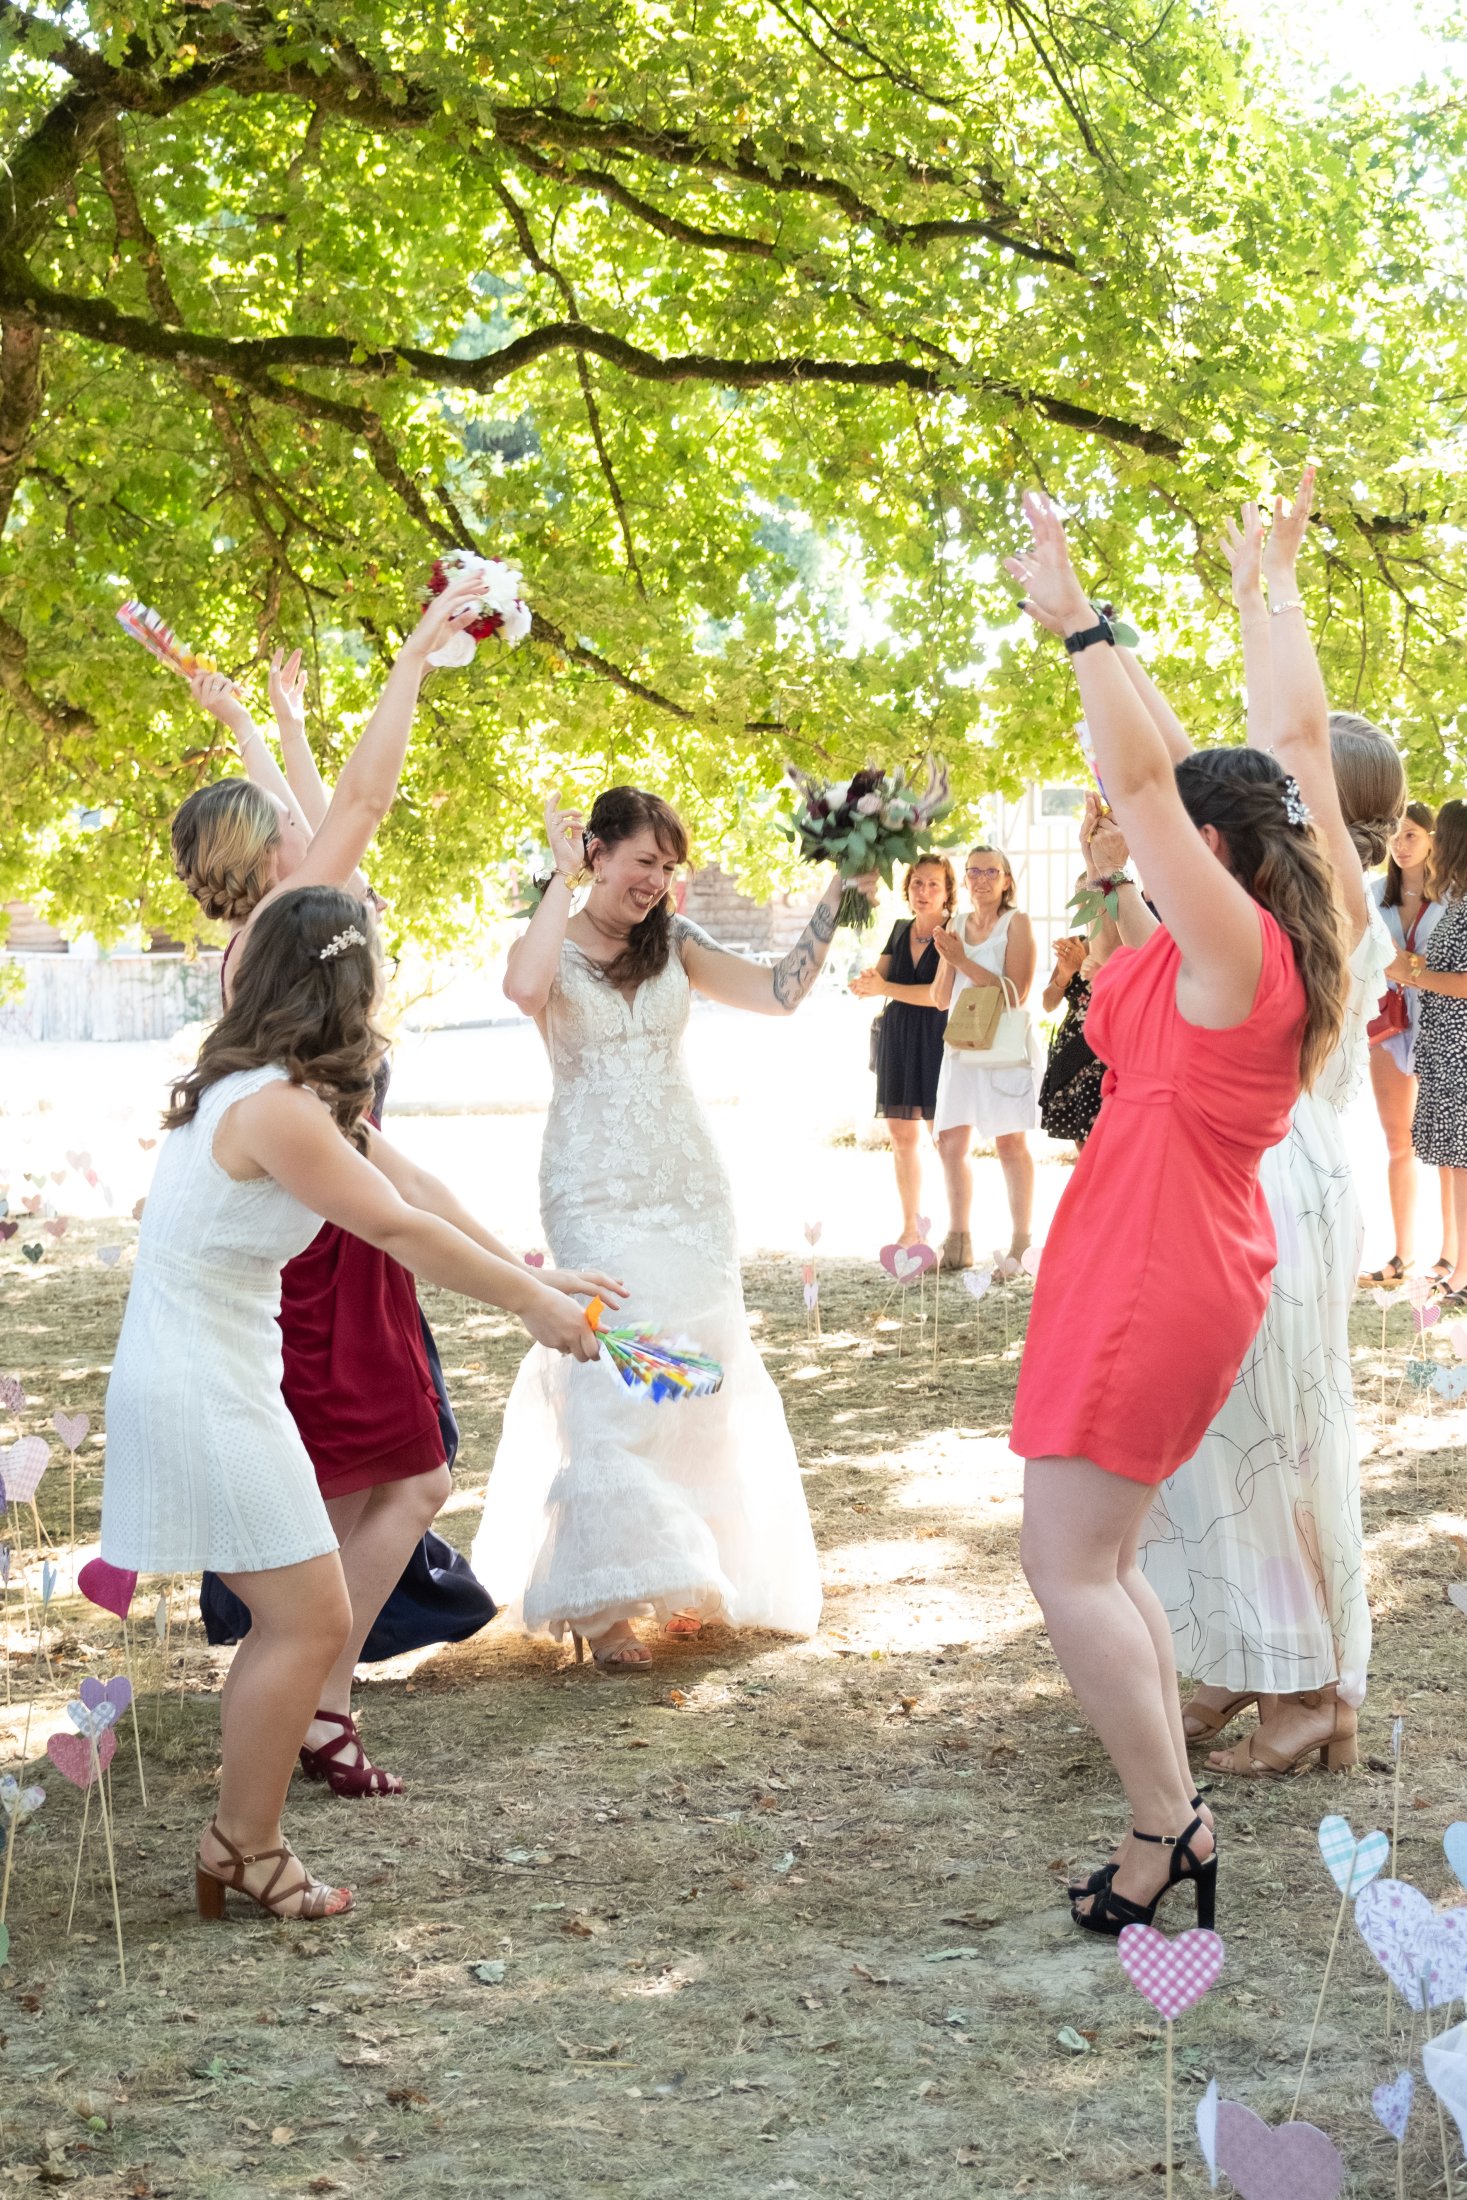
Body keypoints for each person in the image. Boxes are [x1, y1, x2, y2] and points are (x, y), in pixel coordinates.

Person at [100, 886, 616, 1922]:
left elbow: (414, 1188)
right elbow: (394, 1228)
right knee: (308, 1617)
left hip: (219, 1376)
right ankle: (243, 1843)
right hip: (199, 1383)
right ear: (345, 987)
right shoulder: (273, 1108)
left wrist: (535, 1273)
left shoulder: (277, 1092)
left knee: (300, 1616)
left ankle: (241, 1840)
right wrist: (527, 1307)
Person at [1005, 486, 1348, 1938]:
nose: (1136, 835)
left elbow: (1150, 784)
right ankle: (1170, 1820)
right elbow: (1230, 762)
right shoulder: (1218, 944)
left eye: (1166, 839)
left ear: (1209, 849)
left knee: (1065, 1563)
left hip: (1158, 1261)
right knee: (1104, 1559)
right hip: (1143, 1244)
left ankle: (1166, 1829)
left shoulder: (1238, 950)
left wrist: (1077, 624)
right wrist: (1140, 618)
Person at [173, 578, 501, 1796]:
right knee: (375, 1480)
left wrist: (265, 719)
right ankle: (311, 1696)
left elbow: (328, 811)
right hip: (324, 1235)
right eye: (276, 821)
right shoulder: (284, 932)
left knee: (391, 1476)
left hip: (350, 1216)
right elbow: (358, 802)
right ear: (261, 854)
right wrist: (414, 652)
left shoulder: (279, 927)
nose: (298, 823)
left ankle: (320, 1697)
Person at [470, 786, 876, 1671]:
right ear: (598, 853)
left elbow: (779, 992)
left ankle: (684, 1566)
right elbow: (523, 988)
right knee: (615, 1367)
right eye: (643, 861)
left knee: (697, 1365)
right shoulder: (552, 937)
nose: (656, 880)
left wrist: (839, 893)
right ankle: (603, 1601)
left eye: (667, 866)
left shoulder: (676, 943)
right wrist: (557, 879)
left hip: (687, 1185)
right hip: (591, 1185)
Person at [1132, 491, 1403, 1779]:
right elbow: (1197, 767)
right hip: (1273, 1176)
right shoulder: (1270, 883)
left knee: (1267, 1437)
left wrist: (1268, 591)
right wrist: (1102, 647)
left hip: (1276, 1179)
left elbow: (1285, 733)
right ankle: (1248, 1654)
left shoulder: (1334, 896)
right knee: (1228, 1434)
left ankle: (1304, 1689)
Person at [930, 847, 1040, 1270]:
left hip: (1003, 1048)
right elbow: (941, 999)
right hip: (961, 1045)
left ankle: (1021, 1244)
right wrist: (948, 962)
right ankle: (958, 1240)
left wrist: (962, 960)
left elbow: (1017, 993)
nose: (981, 879)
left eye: (991, 872)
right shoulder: (955, 924)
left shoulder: (1017, 922)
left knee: (1009, 1142)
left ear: (1007, 880)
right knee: (950, 1142)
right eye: (973, 871)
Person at [1361, 802, 1455, 1285]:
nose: (1400, 845)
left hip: (1442, 1028)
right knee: (1399, 1142)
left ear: (1433, 839)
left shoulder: (1454, 897)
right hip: (1389, 1027)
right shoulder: (1374, 895)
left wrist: (1407, 965)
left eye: (1412, 835)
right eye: (1395, 835)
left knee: (1447, 1147)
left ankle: (1450, 1257)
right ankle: (1402, 1256)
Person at [850, 855, 953, 1246]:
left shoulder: (954, 932)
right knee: (901, 1137)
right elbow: (879, 978)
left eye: (933, 884)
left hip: (938, 1038)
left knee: (946, 1140)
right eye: (916, 883)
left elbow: (938, 997)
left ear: (947, 892)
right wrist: (865, 983)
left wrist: (885, 988)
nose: (923, 891)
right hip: (898, 1037)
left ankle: (953, 1230)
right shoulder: (898, 930)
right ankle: (911, 1230)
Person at [1402, 799, 1467, 1308]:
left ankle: (1463, 1274)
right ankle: (1456, 1261)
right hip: (1444, 1048)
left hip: (1458, 1051)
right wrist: (1406, 964)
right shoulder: (1459, 900)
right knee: (1451, 1161)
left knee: (1462, 1163)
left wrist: (1408, 972)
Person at [1037, 874, 1120, 1148]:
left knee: (1109, 1141)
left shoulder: (1126, 944)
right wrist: (1064, 973)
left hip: (1107, 1051)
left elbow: (1123, 997)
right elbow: (1048, 1003)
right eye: (1080, 895)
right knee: (1081, 1142)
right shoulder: (1075, 943)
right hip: (1073, 1049)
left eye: (1093, 895)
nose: (1087, 903)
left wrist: (1086, 964)